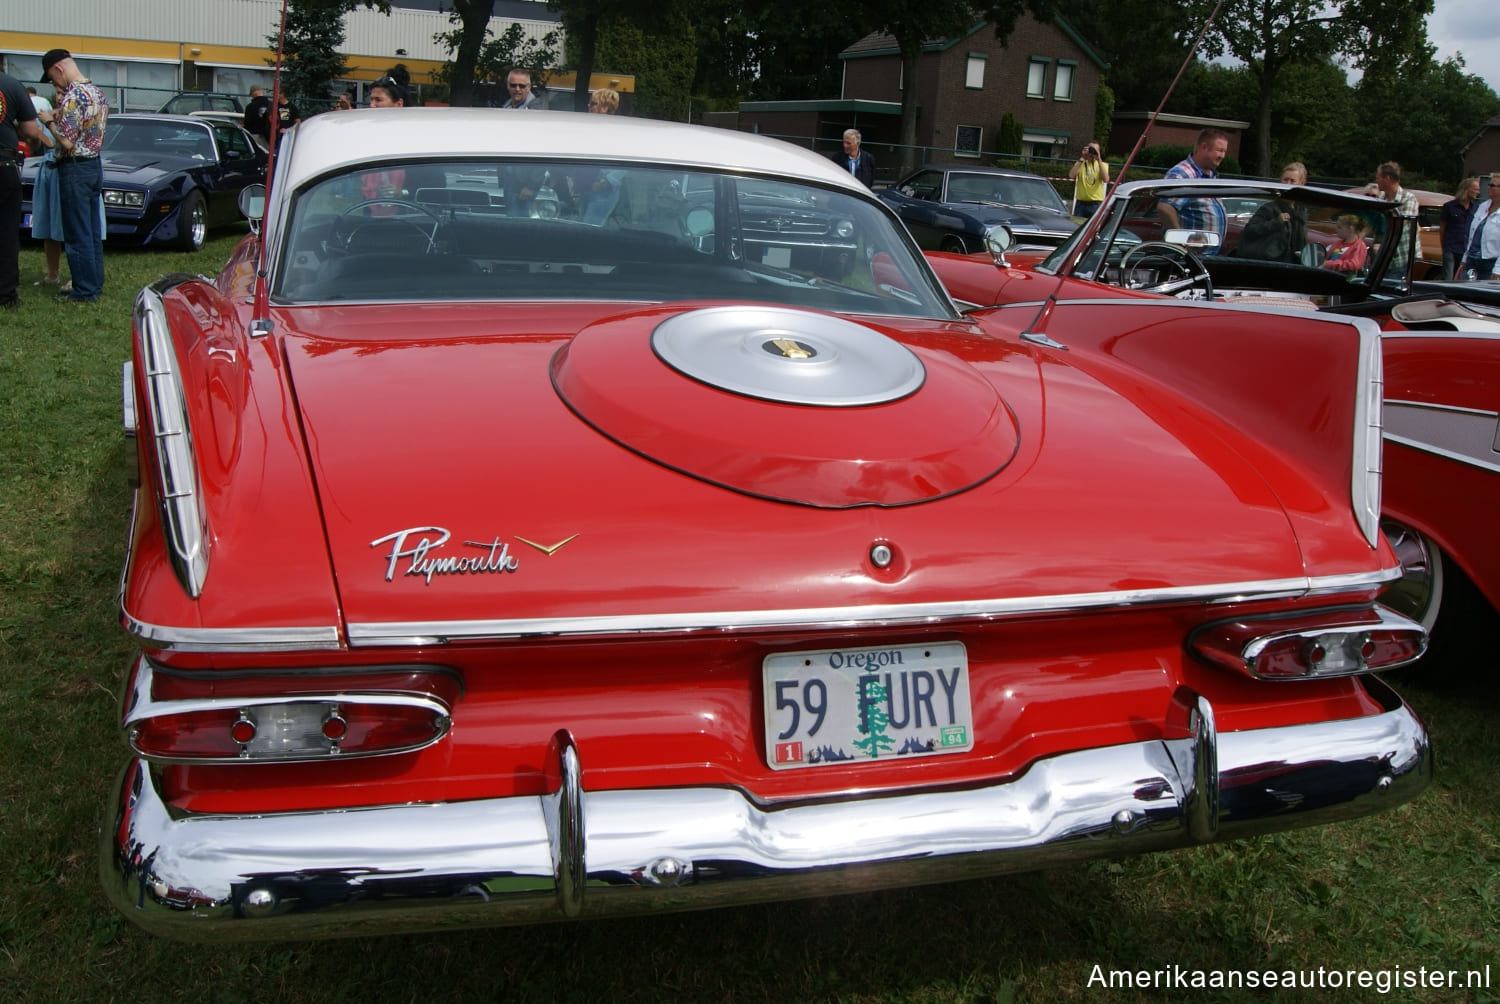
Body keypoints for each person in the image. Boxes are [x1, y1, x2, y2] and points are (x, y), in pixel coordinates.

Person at [37, 49, 107, 304]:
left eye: (52, 78)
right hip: (93, 165)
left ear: (59, 69)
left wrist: (48, 121)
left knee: (77, 233)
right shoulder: (96, 93)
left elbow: (66, 142)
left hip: (74, 168)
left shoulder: (72, 97)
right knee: (91, 230)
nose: (55, 84)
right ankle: (94, 281)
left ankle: (84, 290)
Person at [2, 69, 49, 308]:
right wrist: (32, 142)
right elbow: (31, 131)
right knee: (7, 231)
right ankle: (5, 294)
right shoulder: (11, 85)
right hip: (4, 164)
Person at [1157, 128, 1230, 247]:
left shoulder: (1211, 175)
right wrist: (1182, 241)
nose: (1222, 156)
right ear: (1204, 147)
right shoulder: (1183, 174)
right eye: (1219, 150)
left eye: (1224, 151)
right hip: (1185, 258)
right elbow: (1165, 208)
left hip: (1204, 256)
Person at [1236, 162, 1308, 262]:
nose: (1287, 184)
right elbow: (1250, 230)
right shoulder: (1269, 209)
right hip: (1273, 265)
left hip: (1295, 266)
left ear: (1302, 183)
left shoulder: (1301, 212)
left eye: (1292, 181)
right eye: (1285, 180)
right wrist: (1276, 222)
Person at [1371, 161, 1418, 273]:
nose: (1376, 181)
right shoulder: (1380, 198)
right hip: (1382, 258)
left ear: (1387, 179)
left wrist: (1383, 245)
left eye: (1378, 178)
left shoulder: (1408, 199)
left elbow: (1400, 225)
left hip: (1402, 258)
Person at [1439, 177, 1480, 280]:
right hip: (1451, 247)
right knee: (1448, 277)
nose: (1478, 192)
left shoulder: (1476, 208)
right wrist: (1444, 246)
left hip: (1466, 249)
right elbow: (1442, 227)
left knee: (1461, 278)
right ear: (1466, 189)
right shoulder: (1449, 206)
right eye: (1475, 189)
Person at [1462, 174, 1500, 281]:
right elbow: (1472, 236)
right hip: (1471, 261)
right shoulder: (1483, 206)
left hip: (1490, 264)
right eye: (1489, 184)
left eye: (1493, 185)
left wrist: (1498, 270)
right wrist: (1464, 260)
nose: (1489, 187)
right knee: (1463, 293)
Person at [1067, 141, 1109, 217]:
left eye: (1095, 150)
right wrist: (1082, 158)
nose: (1092, 153)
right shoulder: (1080, 163)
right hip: (1080, 204)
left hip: (1096, 204)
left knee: (1093, 228)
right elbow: (1071, 175)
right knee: (1077, 226)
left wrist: (1099, 159)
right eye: (1091, 149)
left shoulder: (1102, 165)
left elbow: (1106, 179)